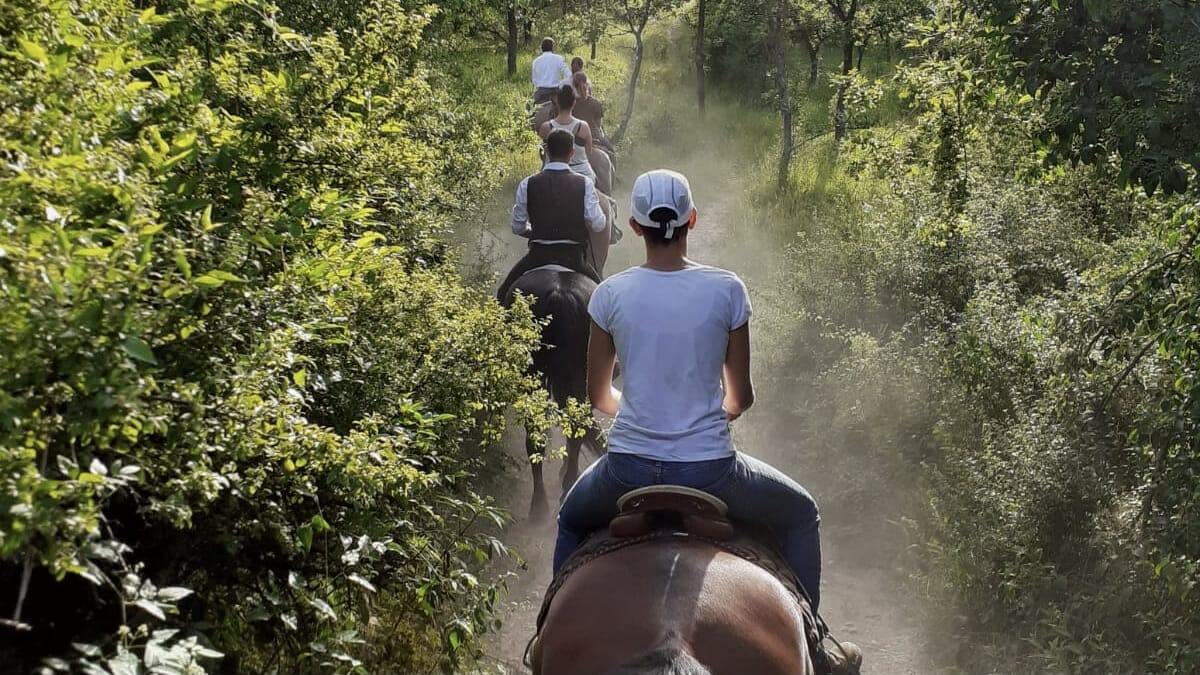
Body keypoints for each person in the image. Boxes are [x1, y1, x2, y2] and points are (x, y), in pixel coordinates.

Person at [552, 169, 825, 612]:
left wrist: (641, 410)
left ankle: (547, 638)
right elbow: (741, 398)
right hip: (711, 472)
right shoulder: (727, 289)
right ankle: (818, 638)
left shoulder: (608, 295)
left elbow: (600, 398)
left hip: (626, 471)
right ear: (692, 220)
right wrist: (710, 411)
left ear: (636, 227)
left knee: (569, 519)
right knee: (801, 515)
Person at [496, 129, 606, 303]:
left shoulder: (527, 183)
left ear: (546, 151)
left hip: (537, 255)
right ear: (571, 153)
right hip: (574, 257)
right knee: (605, 299)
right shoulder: (584, 183)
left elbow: (517, 227)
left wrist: (532, 230)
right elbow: (599, 224)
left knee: (502, 295)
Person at [539, 85, 598, 184]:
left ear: (557, 102)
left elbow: (542, 154)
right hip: (582, 173)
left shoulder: (546, 128)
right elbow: (588, 154)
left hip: (551, 173)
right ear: (574, 103)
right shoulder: (583, 127)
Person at [570, 71, 615, 157]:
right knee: (611, 151)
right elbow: (598, 125)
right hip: (594, 135)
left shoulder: (571, 103)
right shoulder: (596, 103)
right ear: (587, 84)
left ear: (574, 87)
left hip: (576, 138)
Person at [532, 38, 571, 105]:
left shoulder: (536, 61)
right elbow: (569, 75)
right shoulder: (559, 58)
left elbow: (534, 81)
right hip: (556, 91)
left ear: (542, 48)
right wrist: (562, 83)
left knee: (528, 109)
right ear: (552, 48)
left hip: (541, 91)